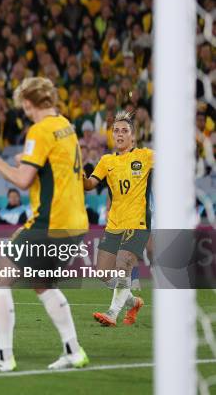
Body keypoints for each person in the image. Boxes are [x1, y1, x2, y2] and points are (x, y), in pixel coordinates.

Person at [0, 77, 89, 371]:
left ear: (27, 103)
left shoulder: (39, 130)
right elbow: (54, 165)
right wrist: (28, 158)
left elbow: (23, 181)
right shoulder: (66, 126)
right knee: (42, 283)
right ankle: (74, 351)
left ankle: (3, 357)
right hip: (75, 223)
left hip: (49, 223)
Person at [83, 111, 151, 326]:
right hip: (114, 223)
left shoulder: (146, 156)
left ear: (133, 136)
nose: (120, 134)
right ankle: (133, 302)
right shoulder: (106, 161)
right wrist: (77, 176)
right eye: (116, 131)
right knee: (103, 273)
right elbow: (90, 185)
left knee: (123, 265)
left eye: (125, 131)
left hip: (138, 222)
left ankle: (112, 313)